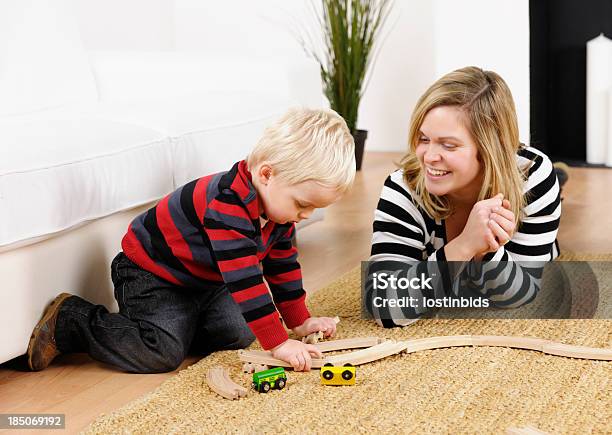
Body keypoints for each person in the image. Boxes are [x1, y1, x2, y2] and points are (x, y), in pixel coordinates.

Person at [27, 108, 356, 372]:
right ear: (267, 175)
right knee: (162, 353)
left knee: (238, 333)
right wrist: (279, 343)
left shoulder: (279, 211)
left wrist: (299, 321)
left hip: (205, 279)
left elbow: (282, 266)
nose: (305, 215)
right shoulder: (227, 206)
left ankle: (181, 324)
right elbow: (245, 280)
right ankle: (71, 320)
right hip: (153, 275)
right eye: (302, 204)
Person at [367, 66, 561, 327]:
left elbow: (516, 298)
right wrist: (465, 245)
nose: (429, 157)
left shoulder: (532, 176)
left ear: (490, 148)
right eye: (424, 139)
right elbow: (385, 308)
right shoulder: (404, 188)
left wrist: (487, 251)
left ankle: (559, 195)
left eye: (449, 145)